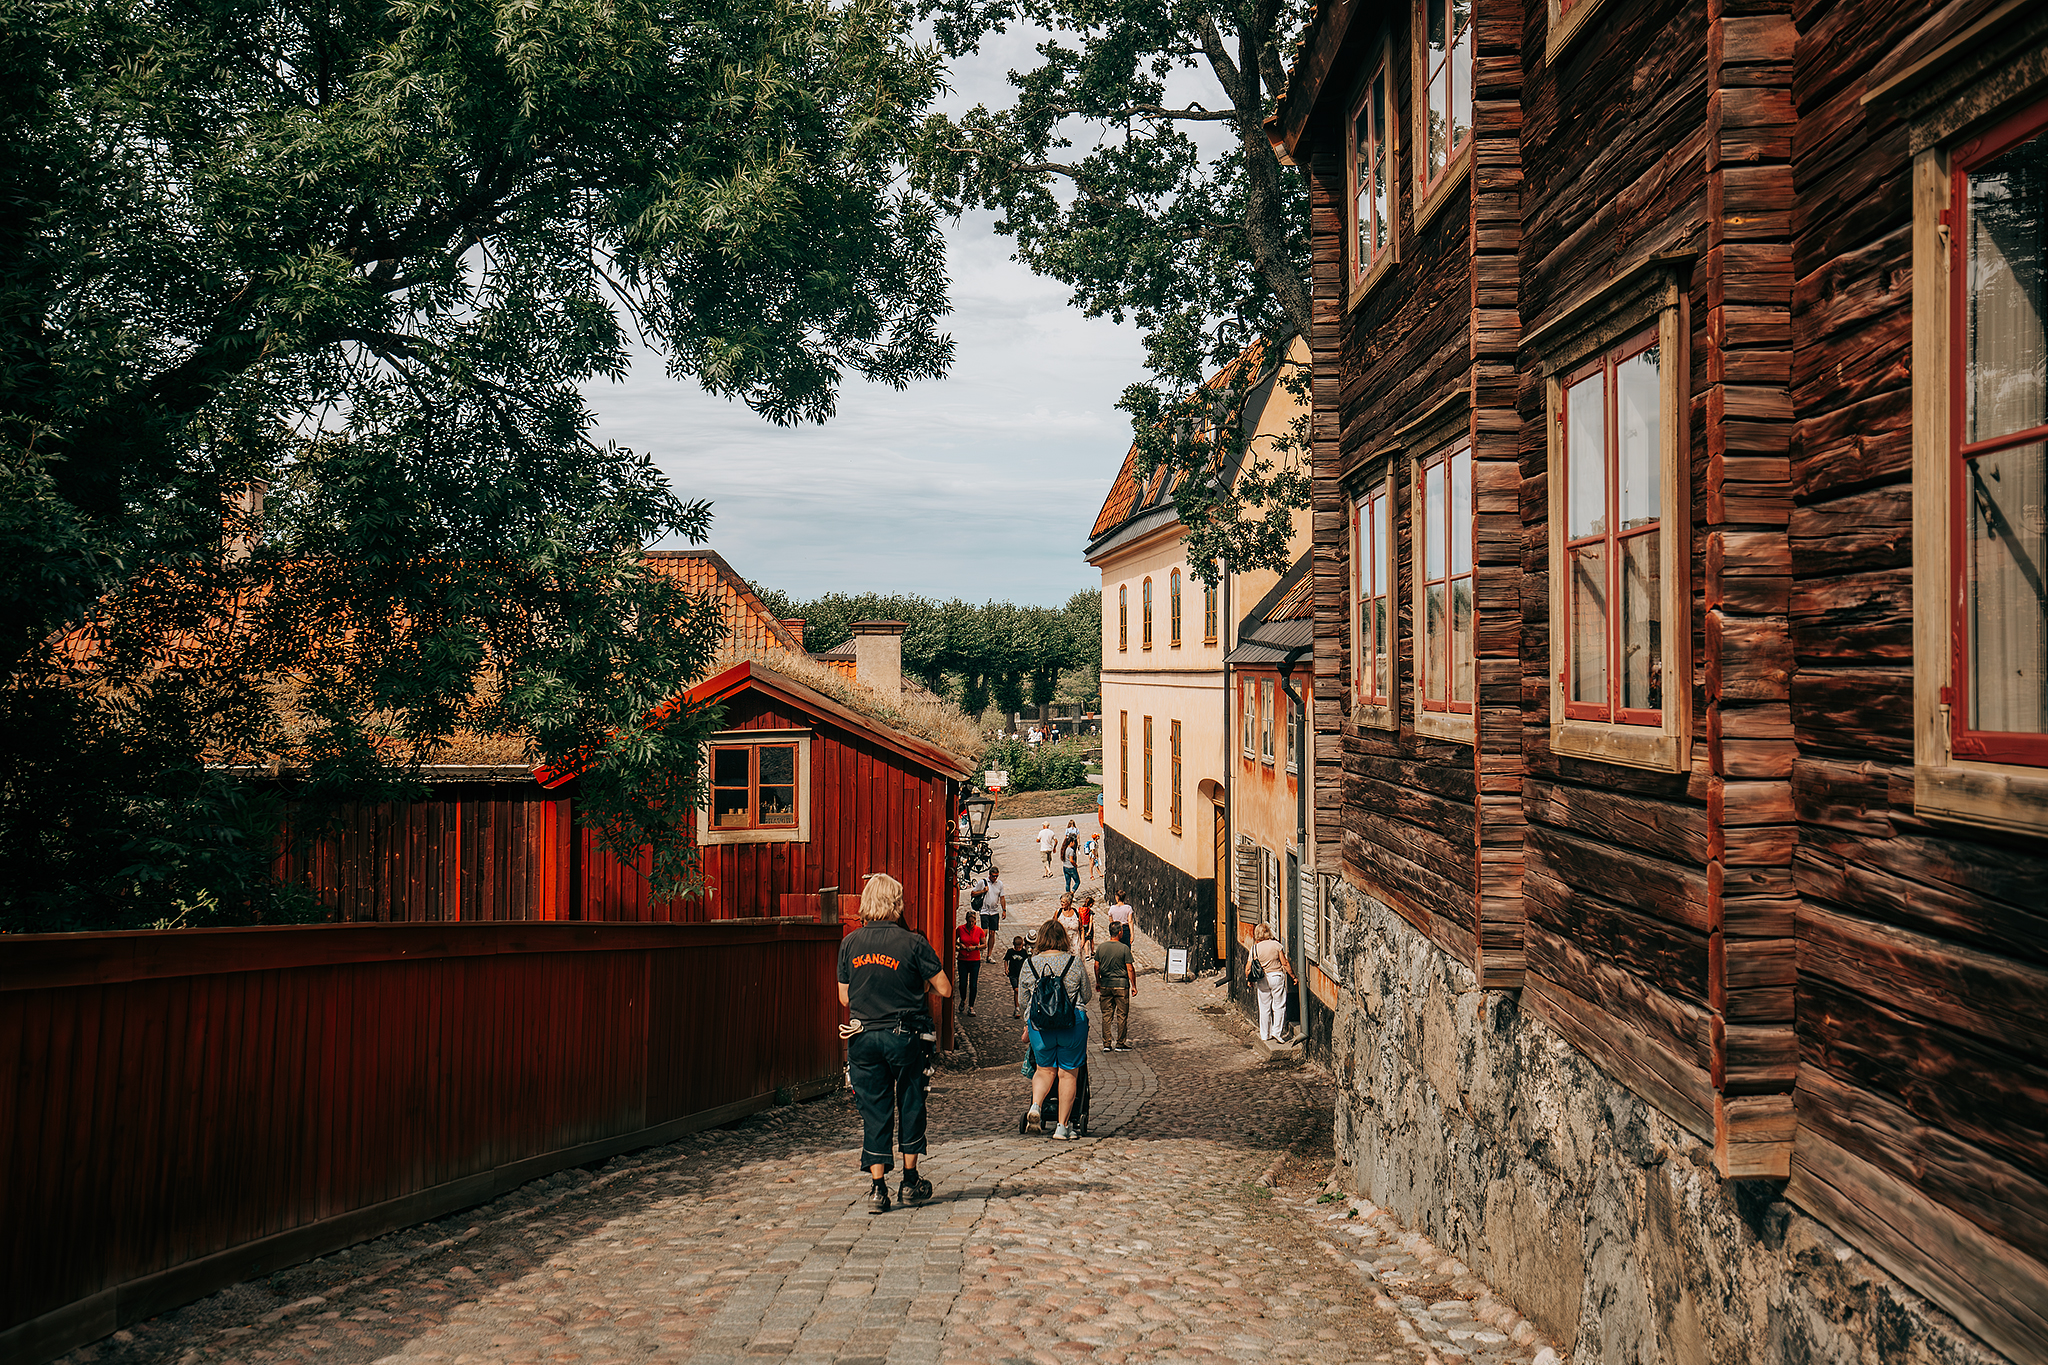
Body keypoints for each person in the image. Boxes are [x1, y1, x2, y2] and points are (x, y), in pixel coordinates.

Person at [838, 875, 951, 1213]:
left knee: (875, 1109)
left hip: (862, 1036)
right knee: (911, 1102)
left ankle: (877, 1190)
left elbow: (844, 996)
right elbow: (943, 988)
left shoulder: (850, 943)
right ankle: (910, 1180)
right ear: (897, 903)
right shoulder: (913, 943)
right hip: (904, 1036)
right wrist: (916, 988)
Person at [1020, 918, 1094, 1139]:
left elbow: (1024, 1002)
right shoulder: (1074, 962)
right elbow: (1087, 995)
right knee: (1068, 1074)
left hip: (1040, 1027)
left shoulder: (1029, 964)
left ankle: (1036, 1106)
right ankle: (1062, 1127)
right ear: (1063, 938)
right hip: (1071, 1024)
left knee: (1044, 1070)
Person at [1094, 925, 1136, 1051]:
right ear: (1119, 932)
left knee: (1106, 1015)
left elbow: (1096, 966)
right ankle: (1120, 1043)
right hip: (1121, 985)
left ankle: (1106, 1043)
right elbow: (1130, 968)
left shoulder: (1101, 947)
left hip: (1106, 984)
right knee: (1122, 1015)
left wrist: (1098, 981)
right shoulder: (1124, 948)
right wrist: (1134, 985)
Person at [1252, 924, 1292, 1043]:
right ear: (1268, 932)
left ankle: (1265, 1034)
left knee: (1264, 1007)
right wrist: (1293, 976)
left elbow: (1248, 967)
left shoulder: (1255, 948)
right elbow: (1284, 963)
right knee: (1279, 1005)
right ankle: (1277, 1032)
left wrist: (1249, 980)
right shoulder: (1276, 945)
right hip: (1276, 977)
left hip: (1262, 978)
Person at [956, 912, 987, 1016]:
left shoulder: (979, 931)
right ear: (966, 920)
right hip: (963, 959)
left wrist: (975, 947)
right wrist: (961, 945)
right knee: (963, 983)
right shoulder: (960, 929)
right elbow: (954, 939)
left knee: (973, 984)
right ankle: (963, 999)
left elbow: (984, 944)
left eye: (973, 922)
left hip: (975, 960)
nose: (971, 923)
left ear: (975, 921)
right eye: (969, 921)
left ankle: (971, 1006)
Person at [1004, 935, 1032, 1017]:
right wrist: (1006, 969)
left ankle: (1019, 1007)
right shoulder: (1010, 952)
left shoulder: (1024, 952)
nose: (1018, 949)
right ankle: (1017, 1007)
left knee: (1021, 990)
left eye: (1019, 947)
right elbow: (1006, 960)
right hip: (1013, 974)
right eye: (1017, 947)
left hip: (1022, 974)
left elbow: (1028, 961)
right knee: (1016, 990)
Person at [982, 868, 1007, 934]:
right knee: (985, 932)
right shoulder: (983, 882)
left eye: (997, 876)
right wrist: (983, 891)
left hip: (994, 911)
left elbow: (1002, 898)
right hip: (984, 910)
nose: (995, 878)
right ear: (989, 875)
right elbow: (973, 893)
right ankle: (984, 944)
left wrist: (1004, 910)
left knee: (992, 932)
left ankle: (990, 944)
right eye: (993, 876)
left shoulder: (999, 884)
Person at [1060, 828, 1081, 894]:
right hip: (1071, 868)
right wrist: (1075, 865)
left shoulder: (1064, 849)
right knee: (1077, 882)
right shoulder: (1071, 850)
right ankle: (1072, 893)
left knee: (1067, 882)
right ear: (1071, 842)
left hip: (1065, 867)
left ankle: (1067, 894)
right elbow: (1071, 860)